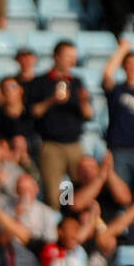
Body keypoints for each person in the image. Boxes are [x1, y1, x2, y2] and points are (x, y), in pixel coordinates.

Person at [28, 41, 92, 201]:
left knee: (74, 189)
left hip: (75, 144)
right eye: (68, 56)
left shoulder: (77, 82)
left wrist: (84, 101)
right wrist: (52, 100)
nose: (72, 61)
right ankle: (59, 220)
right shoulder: (41, 82)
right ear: (56, 57)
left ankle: (70, 217)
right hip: (52, 146)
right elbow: (34, 111)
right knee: (54, 194)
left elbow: (88, 115)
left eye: (73, 57)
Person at [102, 38, 134, 199]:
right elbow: (107, 74)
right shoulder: (117, 90)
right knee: (120, 194)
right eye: (129, 63)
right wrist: (122, 50)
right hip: (119, 149)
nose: (132, 67)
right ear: (124, 66)